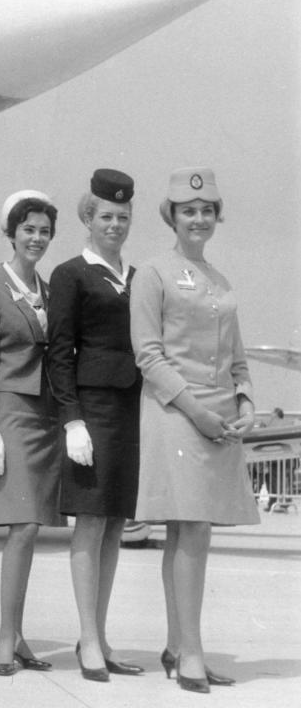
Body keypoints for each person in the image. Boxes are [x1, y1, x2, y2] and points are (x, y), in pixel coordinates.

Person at [130, 167, 258, 693]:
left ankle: (180, 645)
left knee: (194, 532)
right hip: (176, 413)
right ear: (173, 217)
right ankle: (190, 652)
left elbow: (237, 354)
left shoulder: (220, 280)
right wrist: (197, 411)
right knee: (188, 527)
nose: (199, 218)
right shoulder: (154, 273)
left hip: (220, 415)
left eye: (207, 211)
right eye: (189, 211)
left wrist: (246, 397)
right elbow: (148, 354)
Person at [47, 169, 144, 680]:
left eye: (123, 217)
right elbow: (60, 352)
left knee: (113, 524)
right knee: (90, 519)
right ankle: (87, 638)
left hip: (129, 409)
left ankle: (100, 636)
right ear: (88, 218)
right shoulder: (72, 274)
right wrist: (72, 420)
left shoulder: (135, 275)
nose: (115, 224)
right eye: (106, 216)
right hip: (92, 409)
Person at [0, 190, 64, 675]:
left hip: (46, 416)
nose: (37, 238)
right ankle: (6, 637)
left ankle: (19, 636)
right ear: (11, 233)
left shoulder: (49, 291)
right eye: (28, 229)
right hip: (10, 414)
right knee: (22, 527)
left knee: (34, 526)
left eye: (44, 231)